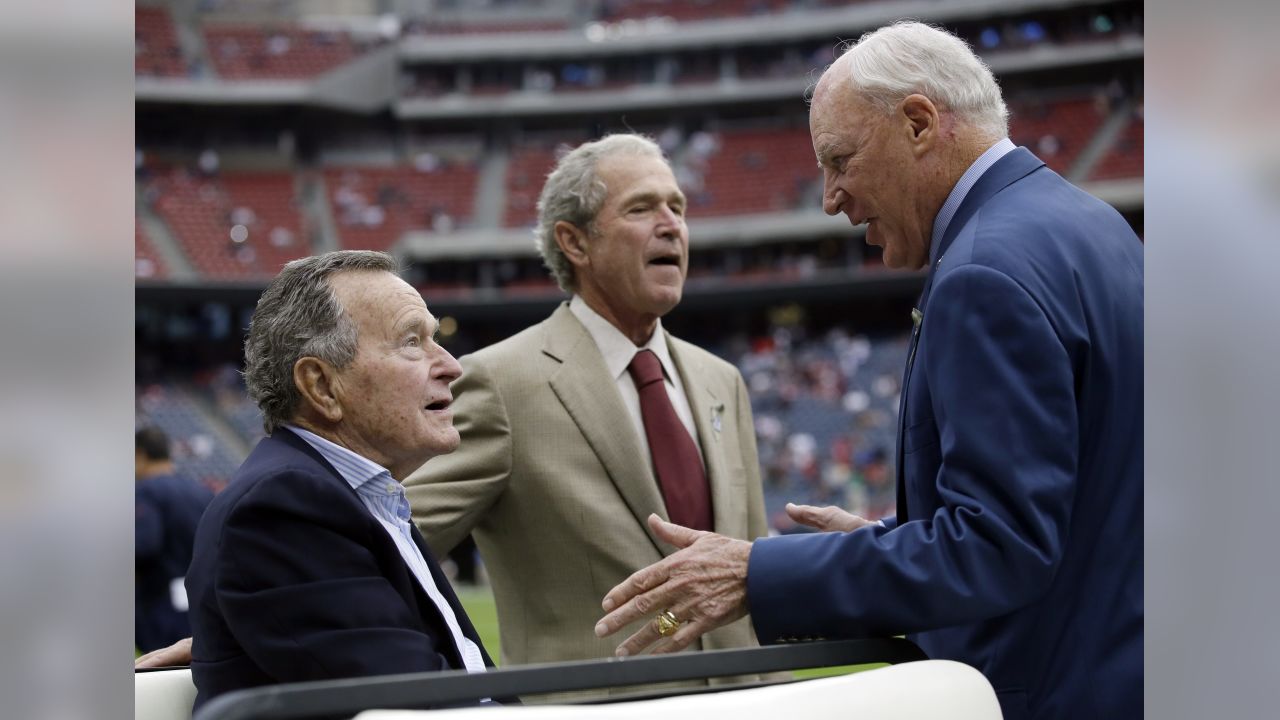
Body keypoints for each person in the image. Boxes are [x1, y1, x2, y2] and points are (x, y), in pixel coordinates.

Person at [593, 22, 1142, 720]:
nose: (830, 197)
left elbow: (1000, 547)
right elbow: (1082, 507)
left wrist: (757, 570)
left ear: (918, 123)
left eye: (841, 160)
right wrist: (887, 546)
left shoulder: (983, 271)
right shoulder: (1094, 227)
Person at [402, 133, 777, 698]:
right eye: (641, 208)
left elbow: (747, 569)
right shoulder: (500, 382)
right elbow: (394, 547)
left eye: (677, 207)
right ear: (574, 242)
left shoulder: (722, 380)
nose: (672, 223)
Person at [182, 250, 499, 712]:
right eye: (413, 341)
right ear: (322, 386)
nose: (452, 365)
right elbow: (419, 705)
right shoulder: (282, 510)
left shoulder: (352, 497)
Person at [134, 426, 213, 653]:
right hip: (200, 600)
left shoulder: (147, 491)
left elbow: (145, 545)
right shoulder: (200, 491)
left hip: (161, 602)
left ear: (140, 455)